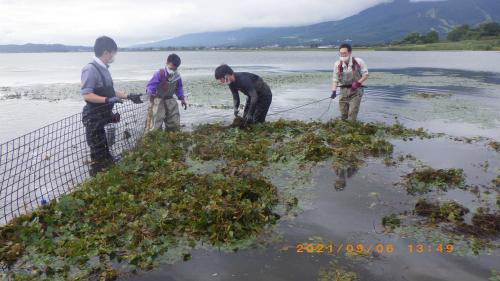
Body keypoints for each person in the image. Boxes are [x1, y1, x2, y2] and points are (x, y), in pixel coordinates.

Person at [80, 36, 142, 176]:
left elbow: (110, 91)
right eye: (113, 53)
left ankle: (104, 179)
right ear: (106, 52)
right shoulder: (90, 69)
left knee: (107, 153)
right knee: (98, 155)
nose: (114, 56)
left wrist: (128, 96)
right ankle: (96, 182)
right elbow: (87, 95)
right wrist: (107, 100)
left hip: (105, 117)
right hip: (94, 119)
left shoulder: (104, 69)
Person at [145, 54, 187, 131]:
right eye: (171, 68)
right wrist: (151, 92)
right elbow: (150, 86)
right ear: (167, 63)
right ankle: (154, 137)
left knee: (174, 122)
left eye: (175, 69)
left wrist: (182, 98)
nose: (173, 71)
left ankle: (172, 136)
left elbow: (179, 88)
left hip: (170, 100)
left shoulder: (177, 75)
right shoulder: (159, 73)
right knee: (155, 123)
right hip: (158, 100)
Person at [331, 43, 369, 121]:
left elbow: (365, 75)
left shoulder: (359, 61)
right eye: (341, 53)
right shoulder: (337, 64)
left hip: (356, 91)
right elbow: (335, 79)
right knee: (343, 114)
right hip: (343, 91)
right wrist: (334, 91)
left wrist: (358, 83)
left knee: (352, 113)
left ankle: (352, 126)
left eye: (345, 53)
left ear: (350, 52)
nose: (343, 55)